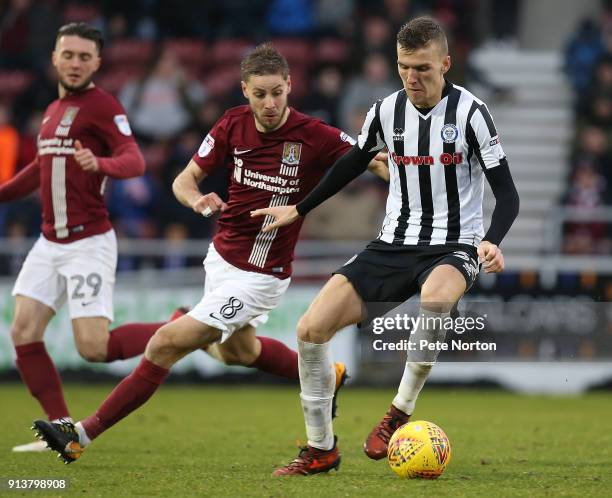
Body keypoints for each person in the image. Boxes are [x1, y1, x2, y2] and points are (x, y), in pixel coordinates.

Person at [31, 42, 388, 463]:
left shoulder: (315, 134)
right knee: (238, 352)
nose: (270, 103)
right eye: (260, 94)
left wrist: (401, 173)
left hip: (260, 275)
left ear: (290, 85)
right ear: (244, 91)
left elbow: (372, 160)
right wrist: (196, 199)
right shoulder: (232, 124)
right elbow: (184, 180)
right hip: (220, 260)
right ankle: (324, 376)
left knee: (166, 343)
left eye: (277, 92)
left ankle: (80, 435)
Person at [249, 16, 520, 475]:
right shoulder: (385, 111)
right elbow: (349, 166)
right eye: (403, 67)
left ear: (445, 64)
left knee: (435, 299)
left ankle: (398, 411)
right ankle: (320, 449)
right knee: (310, 330)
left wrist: (491, 241)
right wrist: (299, 208)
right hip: (392, 243)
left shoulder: (472, 114)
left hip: (454, 244)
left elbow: (508, 194)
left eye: (422, 68)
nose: (412, 78)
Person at [0, 22, 170, 453]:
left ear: (97, 62)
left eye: (84, 56)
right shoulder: (52, 110)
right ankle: (62, 431)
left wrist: (101, 164)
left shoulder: (102, 106)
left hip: (87, 243)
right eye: (68, 55)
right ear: (54, 58)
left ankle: (178, 327)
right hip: (49, 242)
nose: (75, 63)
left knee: (93, 348)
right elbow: (37, 172)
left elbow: (134, 161)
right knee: (23, 330)